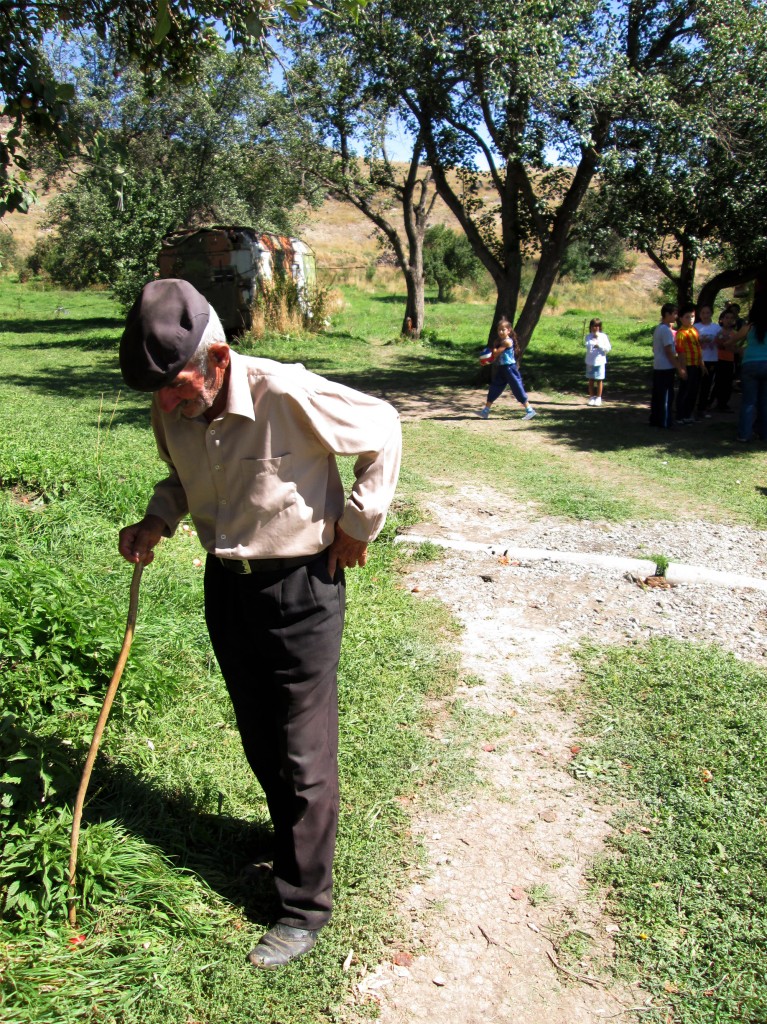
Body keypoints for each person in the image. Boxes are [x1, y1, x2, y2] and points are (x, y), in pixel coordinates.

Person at [117, 279, 402, 969]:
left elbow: (384, 426)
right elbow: (185, 478)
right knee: (257, 733)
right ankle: (288, 845)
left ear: (216, 356)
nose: (167, 403)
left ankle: (304, 907)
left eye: (178, 385)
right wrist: (157, 520)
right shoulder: (172, 404)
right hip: (228, 587)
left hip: (301, 586)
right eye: (157, 392)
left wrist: (357, 525)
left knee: (302, 750)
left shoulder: (284, 389)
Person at [477, 317, 536, 420]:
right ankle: (485, 411)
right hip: (502, 368)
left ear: (509, 330)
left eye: (503, 329)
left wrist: (492, 349)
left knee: (517, 388)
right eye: (499, 330)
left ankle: (530, 410)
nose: (500, 332)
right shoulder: (500, 341)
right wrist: (486, 361)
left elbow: (495, 353)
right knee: (495, 387)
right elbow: (494, 357)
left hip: (510, 368)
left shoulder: (507, 342)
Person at [731, 292, 767, 442]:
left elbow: (731, 341)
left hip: (750, 364)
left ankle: (744, 434)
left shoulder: (749, 326)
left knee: (748, 401)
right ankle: (764, 433)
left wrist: (740, 350)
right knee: (765, 402)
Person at [649, 302, 687, 428]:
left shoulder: (659, 328)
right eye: (674, 313)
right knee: (666, 396)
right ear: (667, 314)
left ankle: (655, 420)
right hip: (665, 367)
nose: (676, 316)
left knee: (658, 395)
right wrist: (679, 368)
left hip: (659, 366)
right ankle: (665, 422)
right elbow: (669, 352)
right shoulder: (665, 330)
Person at [674, 305, 705, 424]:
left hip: (696, 364)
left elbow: (698, 347)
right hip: (687, 365)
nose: (691, 319)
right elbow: (680, 352)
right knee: (685, 391)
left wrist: (701, 363)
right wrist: (682, 369)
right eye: (687, 317)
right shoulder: (681, 333)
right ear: (681, 319)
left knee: (693, 390)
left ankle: (688, 414)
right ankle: (680, 415)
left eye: (692, 316)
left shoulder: (694, 330)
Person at [694, 304, 719, 418]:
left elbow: (722, 341)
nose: (705, 315)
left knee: (707, 385)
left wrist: (715, 341)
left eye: (707, 313)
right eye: (703, 313)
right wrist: (700, 340)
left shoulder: (716, 327)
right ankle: (690, 407)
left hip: (712, 359)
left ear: (711, 314)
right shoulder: (695, 327)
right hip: (698, 359)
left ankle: (702, 408)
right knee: (694, 384)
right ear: (700, 315)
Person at [584, 317, 611, 406]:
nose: (595, 328)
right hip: (590, 361)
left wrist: (600, 345)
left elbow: (608, 348)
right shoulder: (588, 336)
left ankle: (599, 397)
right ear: (590, 327)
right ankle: (591, 397)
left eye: (597, 326)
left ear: (600, 327)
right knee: (591, 380)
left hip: (600, 361)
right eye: (593, 326)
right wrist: (593, 340)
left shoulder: (603, 336)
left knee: (599, 380)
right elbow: (588, 346)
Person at [714, 308, 737, 412]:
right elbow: (717, 343)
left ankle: (724, 404)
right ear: (722, 319)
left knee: (728, 383)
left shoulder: (735, 334)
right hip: (719, 360)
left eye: (731, 318)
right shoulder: (718, 331)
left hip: (730, 361)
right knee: (718, 382)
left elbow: (736, 347)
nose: (729, 320)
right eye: (726, 317)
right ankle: (717, 402)